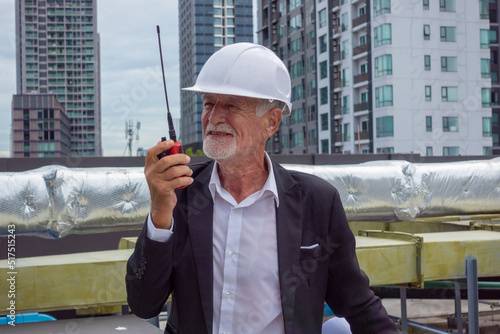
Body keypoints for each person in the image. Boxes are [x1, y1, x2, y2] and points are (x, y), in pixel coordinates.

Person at [126, 43, 399, 334]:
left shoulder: (317, 202)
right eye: (209, 103)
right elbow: (144, 305)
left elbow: (357, 304)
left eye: (231, 105)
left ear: (271, 122)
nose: (214, 117)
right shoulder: (180, 193)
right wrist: (159, 212)